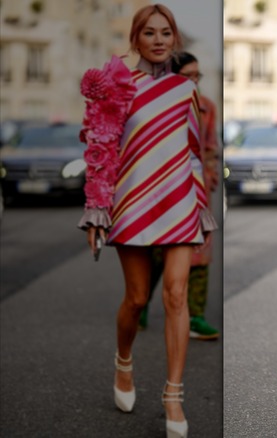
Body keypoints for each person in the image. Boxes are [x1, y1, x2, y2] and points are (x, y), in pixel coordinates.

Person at [77, 5, 217, 437]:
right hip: (132, 201)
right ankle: (124, 363)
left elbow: (193, 150)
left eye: (166, 33)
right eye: (150, 33)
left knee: (176, 296)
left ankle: (173, 395)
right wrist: (97, 210)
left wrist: (200, 206)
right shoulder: (117, 88)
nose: (159, 40)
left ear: (174, 40)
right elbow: (101, 152)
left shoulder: (184, 89)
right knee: (137, 300)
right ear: (135, 38)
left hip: (178, 202)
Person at [140, 51, 221, 341]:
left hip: (196, 192)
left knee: (200, 253)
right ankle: (141, 305)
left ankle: (196, 316)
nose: (195, 82)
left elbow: (211, 148)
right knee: (158, 254)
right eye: (188, 76)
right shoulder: (157, 104)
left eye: (198, 76)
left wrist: (209, 176)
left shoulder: (207, 107)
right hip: (163, 192)